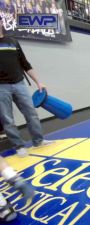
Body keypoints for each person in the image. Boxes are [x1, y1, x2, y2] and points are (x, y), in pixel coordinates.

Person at [0, 16, 53, 157]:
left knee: (31, 113)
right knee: (7, 119)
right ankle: (19, 146)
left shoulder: (12, 42)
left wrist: (38, 82)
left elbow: (25, 64)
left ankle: (38, 141)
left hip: (19, 84)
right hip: (1, 88)